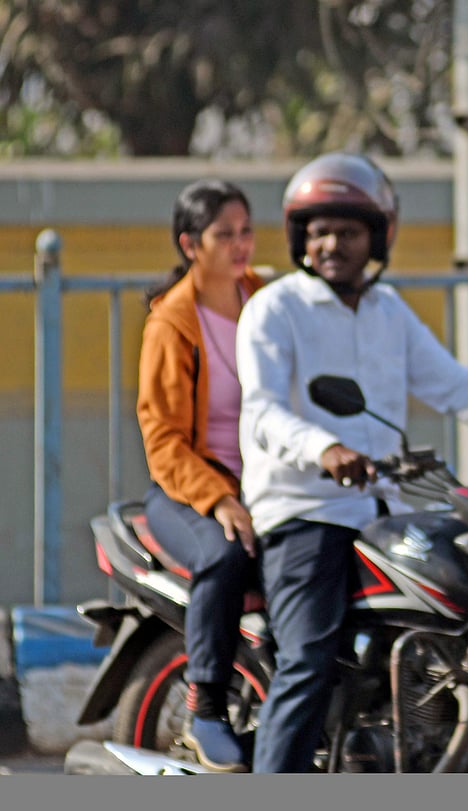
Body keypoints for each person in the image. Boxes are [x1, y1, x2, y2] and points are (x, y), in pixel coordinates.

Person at [236, 152, 468, 773]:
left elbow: (454, 386)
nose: (331, 245)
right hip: (306, 512)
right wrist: (325, 449)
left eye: (346, 232)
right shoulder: (276, 308)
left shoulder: (386, 310)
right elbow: (262, 412)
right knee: (310, 658)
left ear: (376, 237)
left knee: (464, 620)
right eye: (318, 232)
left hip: (384, 513)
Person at [136, 179, 265, 772]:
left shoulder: (264, 301)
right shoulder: (173, 324)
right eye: (224, 234)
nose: (240, 245)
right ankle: (205, 710)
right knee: (224, 553)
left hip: (263, 482)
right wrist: (219, 500)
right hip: (188, 489)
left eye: (246, 231)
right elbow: (162, 442)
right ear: (191, 244)